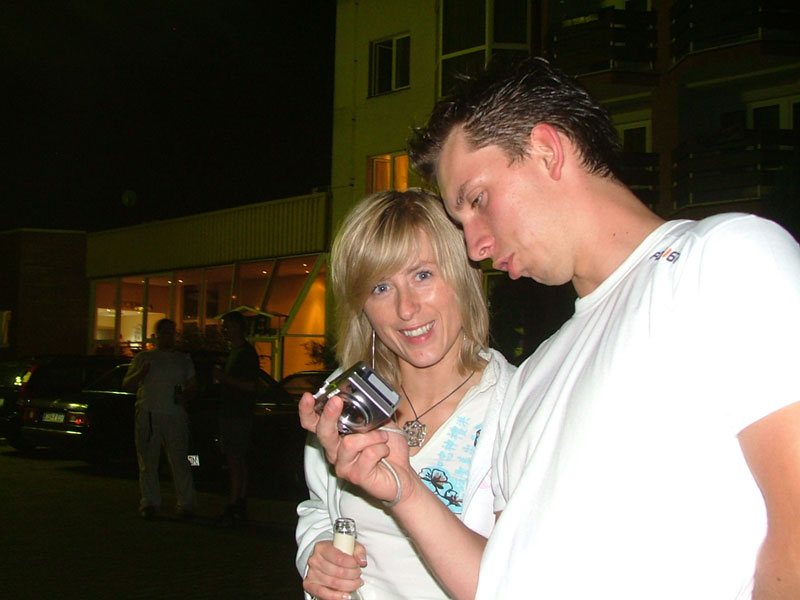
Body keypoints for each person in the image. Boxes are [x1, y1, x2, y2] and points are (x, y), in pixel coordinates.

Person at [403, 57, 800, 599]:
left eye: (477, 201)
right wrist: (401, 487)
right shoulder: (531, 377)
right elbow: (500, 580)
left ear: (547, 151)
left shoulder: (721, 259)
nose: (475, 248)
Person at [296, 188, 515, 600]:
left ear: (463, 276)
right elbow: (320, 507)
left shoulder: (516, 405)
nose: (406, 309)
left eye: (422, 275)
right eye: (381, 287)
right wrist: (316, 552)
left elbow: (525, 574)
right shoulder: (347, 401)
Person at [123, 318, 197, 520]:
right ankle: (149, 502)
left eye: (171, 333)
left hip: (175, 415)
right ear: (157, 336)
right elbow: (127, 384)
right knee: (148, 461)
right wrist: (141, 373)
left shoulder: (183, 359)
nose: (168, 336)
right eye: (164, 332)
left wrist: (186, 396)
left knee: (180, 460)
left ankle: (186, 503)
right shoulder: (144, 358)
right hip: (149, 414)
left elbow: (193, 386)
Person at [213, 310, 260, 524]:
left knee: (235, 459)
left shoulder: (246, 354)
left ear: (239, 328)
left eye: (229, 326)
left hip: (238, 414)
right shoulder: (234, 352)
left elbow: (250, 385)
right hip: (232, 412)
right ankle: (238, 501)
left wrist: (224, 378)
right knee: (236, 459)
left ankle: (235, 504)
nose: (226, 330)